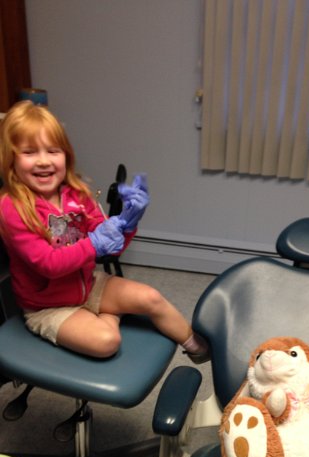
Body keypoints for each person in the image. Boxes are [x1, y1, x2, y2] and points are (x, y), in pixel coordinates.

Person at [0, 101, 209, 362]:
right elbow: (48, 264)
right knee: (107, 341)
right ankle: (109, 314)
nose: (43, 161)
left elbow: (110, 250)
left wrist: (126, 224)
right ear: (11, 159)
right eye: (29, 152)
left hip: (88, 284)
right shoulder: (12, 208)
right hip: (48, 306)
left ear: (66, 155)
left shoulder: (77, 194)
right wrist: (94, 244)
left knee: (151, 298)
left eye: (53, 151)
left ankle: (201, 350)